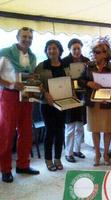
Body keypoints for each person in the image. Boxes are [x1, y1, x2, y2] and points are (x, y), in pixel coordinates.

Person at [0, 27, 40, 183]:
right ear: (17, 37)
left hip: (27, 96)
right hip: (9, 96)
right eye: (24, 36)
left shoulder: (32, 56)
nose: (27, 39)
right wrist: (11, 85)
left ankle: (23, 165)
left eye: (30, 37)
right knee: (7, 133)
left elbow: (29, 76)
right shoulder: (5, 53)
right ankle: (5, 169)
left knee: (26, 132)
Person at [79, 42, 111, 166]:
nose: (94, 55)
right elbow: (80, 81)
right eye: (94, 52)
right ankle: (97, 154)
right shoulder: (88, 66)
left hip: (108, 103)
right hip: (93, 103)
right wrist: (89, 83)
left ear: (105, 53)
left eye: (97, 52)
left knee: (108, 130)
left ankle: (106, 154)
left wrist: (109, 96)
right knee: (95, 130)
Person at [35, 40, 68, 171]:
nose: (52, 51)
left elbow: (69, 82)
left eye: (54, 48)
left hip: (62, 103)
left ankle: (58, 158)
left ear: (59, 50)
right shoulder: (41, 66)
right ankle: (48, 160)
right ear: (46, 51)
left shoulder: (65, 65)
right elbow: (36, 82)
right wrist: (45, 93)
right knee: (50, 132)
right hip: (46, 104)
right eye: (49, 48)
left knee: (60, 131)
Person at [62, 38, 89, 163]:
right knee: (70, 126)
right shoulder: (64, 62)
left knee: (79, 126)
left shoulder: (87, 61)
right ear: (69, 49)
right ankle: (68, 153)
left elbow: (89, 78)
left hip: (83, 96)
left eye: (78, 48)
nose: (77, 51)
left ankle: (77, 150)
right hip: (69, 96)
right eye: (74, 49)